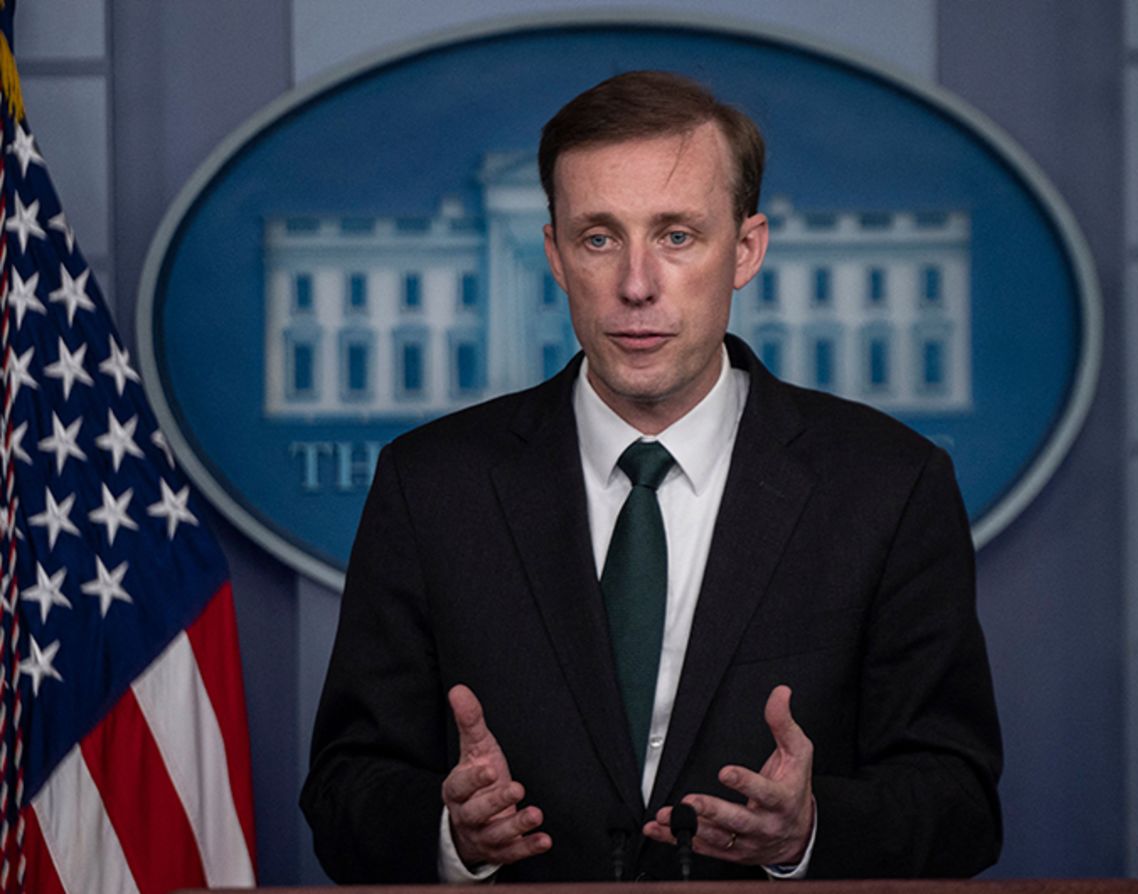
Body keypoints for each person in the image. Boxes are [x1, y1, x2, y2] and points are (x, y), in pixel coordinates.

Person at [301, 70, 1001, 884]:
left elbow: (960, 805)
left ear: (745, 249)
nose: (637, 284)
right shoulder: (431, 486)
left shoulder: (889, 486)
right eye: (600, 237)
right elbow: (343, 791)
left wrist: (807, 831)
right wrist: (453, 833)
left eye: (676, 236)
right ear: (555, 255)